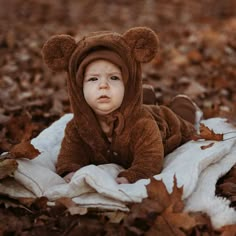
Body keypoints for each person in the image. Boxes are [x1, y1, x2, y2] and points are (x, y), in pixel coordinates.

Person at [42, 27, 201, 184]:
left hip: (164, 122)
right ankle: (145, 96)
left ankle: (182, 102)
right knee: (136, 103)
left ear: (128, 84)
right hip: (128, 104)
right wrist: (70, 170)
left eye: (114, 78)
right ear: (78, 88)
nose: (103, 85)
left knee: (179, 117)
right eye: (93, 79)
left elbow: (150, 158)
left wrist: (134, 175)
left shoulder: (143, 125)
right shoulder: (77, 127)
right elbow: (70, 155)